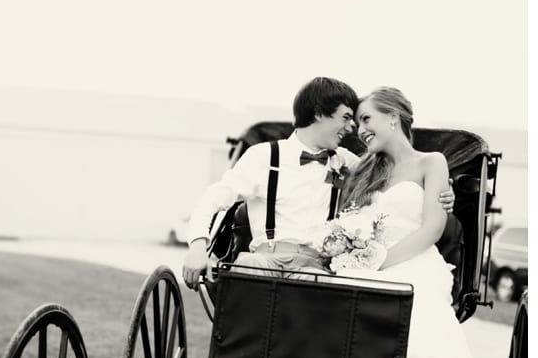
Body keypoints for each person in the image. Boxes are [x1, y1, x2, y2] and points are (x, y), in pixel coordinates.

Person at [337, 87, 492, 358]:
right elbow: (344, 222)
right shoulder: (363, 170)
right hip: (361, 263)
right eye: (356, 121)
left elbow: (432, 228)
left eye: (367, 118)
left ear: (393, 117)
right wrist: (356, 256)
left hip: (413, 261)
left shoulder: (432, 162)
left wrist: (381, 261)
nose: (360, 128)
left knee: (419, 324)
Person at [181, 77, 453, 289]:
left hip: (316, 267)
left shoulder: (348, 162)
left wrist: (441, 190)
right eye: (347, 118)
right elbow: (212, 199)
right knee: (249, 270)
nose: (352, 130)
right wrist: (197, 246)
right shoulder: (263, 156)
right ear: (321, 113)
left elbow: (393, 183)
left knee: (323, 289)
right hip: (265, 259)